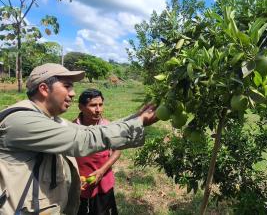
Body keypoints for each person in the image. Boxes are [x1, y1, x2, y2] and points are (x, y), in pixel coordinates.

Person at [0, 63, 157, 215]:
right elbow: (82, 139)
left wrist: (136, 117)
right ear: (44, 89)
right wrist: (139, 122)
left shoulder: (49, 119)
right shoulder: (22, 120)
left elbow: (91, 130)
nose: (73, 93)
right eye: (67, 86)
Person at [74, 89, 120, 215]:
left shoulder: (107, 127)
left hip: (103, 184)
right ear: (81, 107)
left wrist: (102, 171)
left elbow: (117, 150)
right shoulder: (72, 129)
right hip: (79, 185)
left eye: (100, 105)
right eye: (93, 105)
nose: (98, 109)